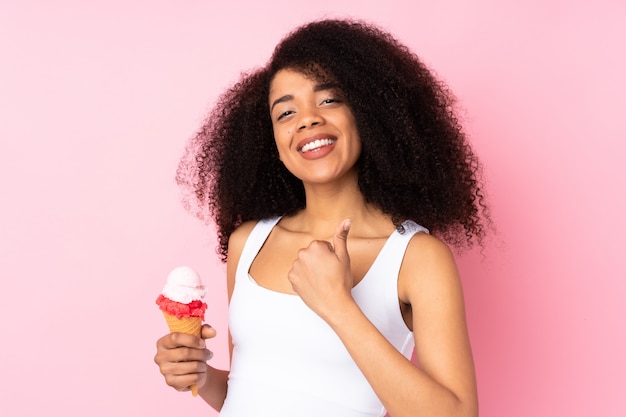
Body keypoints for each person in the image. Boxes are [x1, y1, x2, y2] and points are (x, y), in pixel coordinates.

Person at [154, 18, 489, 417]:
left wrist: (337, 305)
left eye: (329, 100)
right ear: (273, 143)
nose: (307, 119)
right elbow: (253, 389)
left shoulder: (416, 258)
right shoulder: (248, 243)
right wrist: (201, 375)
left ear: (367, 113)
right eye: (285, 113)